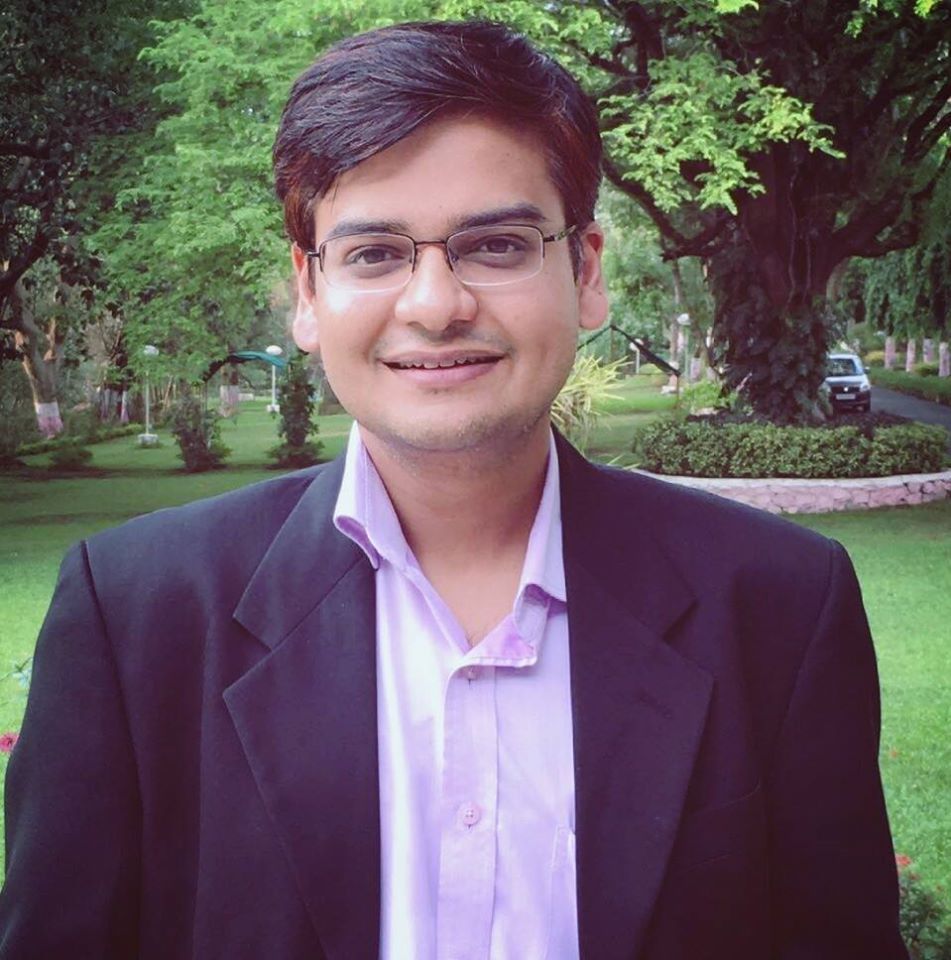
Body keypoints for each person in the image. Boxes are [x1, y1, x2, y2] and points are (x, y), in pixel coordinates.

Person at [0, 19, 907, 960]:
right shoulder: (138, 614)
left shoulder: (777, 605)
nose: (435, 305)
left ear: (586, 272)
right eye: (373, 253)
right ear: (307, 293)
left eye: (497, 245)